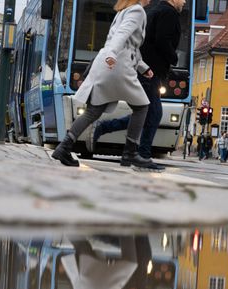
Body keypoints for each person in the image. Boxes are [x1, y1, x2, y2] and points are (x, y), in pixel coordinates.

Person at [52, 0, 153, 168]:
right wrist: (112, 54)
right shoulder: (137, 11)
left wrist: (143, 67)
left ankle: (64, 146)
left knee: (93, 111)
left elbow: (128, 45)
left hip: (108, 64)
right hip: (118, 66)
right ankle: (130, 153)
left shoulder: (124, 10)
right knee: (142, 106)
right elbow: (122, 35)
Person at [88, 0, 185, 171]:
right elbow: (162, 40)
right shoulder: (168, 12)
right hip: (149, 70)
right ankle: (143, 155)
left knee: (145, 112)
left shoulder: (154, 9)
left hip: (144, 67)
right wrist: (173, 58)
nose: (184, 1)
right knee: (153, 113)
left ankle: (126, 151)